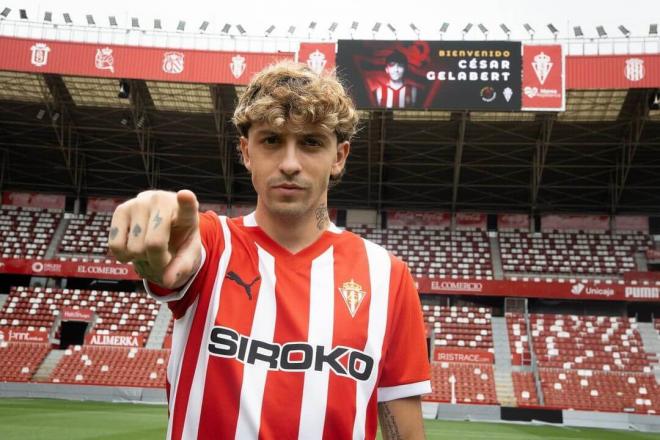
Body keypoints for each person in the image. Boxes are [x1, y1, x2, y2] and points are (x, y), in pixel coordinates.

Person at [108, 61, 430, 440]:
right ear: (246, 152)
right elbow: (185, 246)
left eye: (311, 142)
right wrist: (154, 209)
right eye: (272, 141)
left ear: (339, 156)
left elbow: (406, 432)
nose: (290, 164)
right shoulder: (213, 244)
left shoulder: (387, 276)